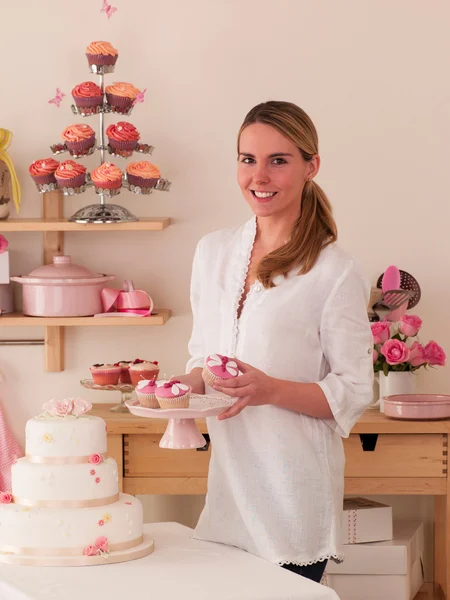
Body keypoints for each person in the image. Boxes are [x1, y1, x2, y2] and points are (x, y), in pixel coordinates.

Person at [177, 100, 373, 583]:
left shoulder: (334, 270)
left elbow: (354, 389)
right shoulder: (213, 253)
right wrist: (179, 389)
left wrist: (270, 390)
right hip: (228, 493)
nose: (258, 176)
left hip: (293, 498)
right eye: (247, 159)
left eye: (278, 160)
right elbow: (204, 355)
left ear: (312, 166)